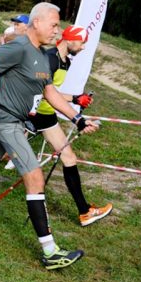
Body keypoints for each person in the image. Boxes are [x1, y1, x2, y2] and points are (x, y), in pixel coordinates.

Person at [0, 2, 99, 271]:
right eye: (53, 24)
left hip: (13, 121)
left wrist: (78, 118)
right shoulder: (18, 47)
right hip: (6, 121)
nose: (57, 30)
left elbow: (49, 92)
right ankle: (51, 251)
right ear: (37, 22)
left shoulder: (43, 55)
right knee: (35, 177)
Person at [28, 24, 112, 226]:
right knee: (1, 154)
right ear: (70, 39)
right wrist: (75, 110)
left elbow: (52, 91)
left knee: (69, 157)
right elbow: (43, 91)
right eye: (81, 42)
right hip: (30, 113)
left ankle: (84, 211)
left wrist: (76, 98)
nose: (83, 47)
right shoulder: (50, 58)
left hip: (46, 115)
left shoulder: (65, 61)